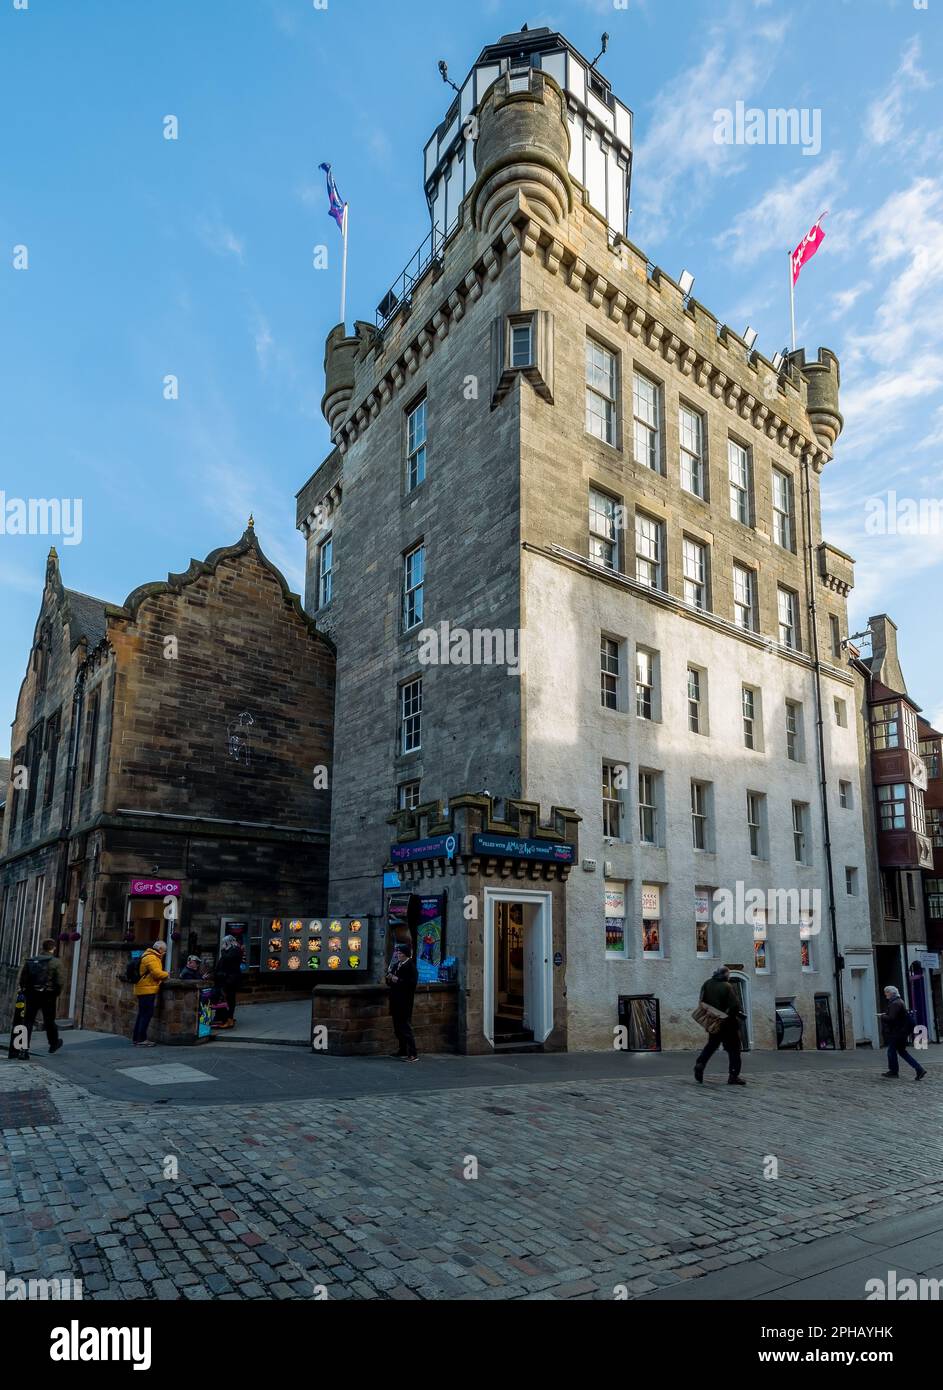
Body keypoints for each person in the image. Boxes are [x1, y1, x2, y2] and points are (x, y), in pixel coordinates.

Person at [694, 966, 746, 1086]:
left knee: (712, 1045)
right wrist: (736, 1015)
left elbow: (702, 1000)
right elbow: (734, 1006)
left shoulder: (707, 983)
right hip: (728, 1022)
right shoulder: (727, 986)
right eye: (728, 974)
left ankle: (700, 1064)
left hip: (712, 1020)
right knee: (734, 1049)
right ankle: (733, 1076)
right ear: (725, 975)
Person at [18, 938, 64, 1059]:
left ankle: (23, 1050)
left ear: (42, 948)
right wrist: (56, 993)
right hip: (48, 995)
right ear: (53, 948)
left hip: (32, 995)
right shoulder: (55, 962)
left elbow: (23, 979)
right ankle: (53, 1043)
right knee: (49, 1020)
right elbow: (60, 982)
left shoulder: (31, 960)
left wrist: (26, 991)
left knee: (28, 1021)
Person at [880, 986, 927, 1081]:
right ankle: (919, 1069)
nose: (885, 995)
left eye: (886, 993)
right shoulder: (899, 1001)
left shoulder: (895, 1003)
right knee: (902, 1051)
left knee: (891, 1051)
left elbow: (892, 1018)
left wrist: (882, 1016)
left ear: (891, 993)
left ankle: (893, 1071)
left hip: (897, 1032)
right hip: (902, 1031)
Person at [386, 939, 418, 1061]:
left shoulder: (410, 966)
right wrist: (389, 978)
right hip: (395, 1000)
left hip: (405, 1001)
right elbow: (390, 978)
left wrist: (397, 980)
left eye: (400, 953)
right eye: (397, 953)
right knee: (397, 1027)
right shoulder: (396, 965)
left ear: (405, 954)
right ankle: (402, 1049)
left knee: (405, 1027)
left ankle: (413, 1053)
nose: (398, 955)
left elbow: (411, 984)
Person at [132, 940, 169, 1047]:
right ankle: (141, 1039)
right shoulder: (152, 957)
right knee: (146, 1015)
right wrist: (167, 974)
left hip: (144, 989)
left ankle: (137, 1038)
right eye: (164, 951)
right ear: (160, 949)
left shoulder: (148, 955)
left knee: (142, 1014)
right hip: (147, 990)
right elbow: (157, 973)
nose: (164, 953)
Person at [213, 935, 244, 1030]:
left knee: (229, 999)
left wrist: (223, 950)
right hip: (228, 978)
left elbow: (227, 958)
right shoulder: (233, 950)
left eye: (224, 943)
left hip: (231, 979)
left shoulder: (235, 949)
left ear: (228, 942)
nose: (223, 945)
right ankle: (225, 1018)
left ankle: (228, 1019)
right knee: (227, 999)